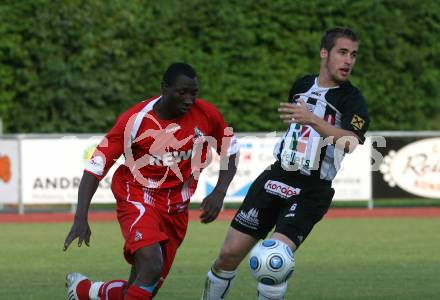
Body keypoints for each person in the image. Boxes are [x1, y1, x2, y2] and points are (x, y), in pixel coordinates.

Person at [201, 27, 370, 300]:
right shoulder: (302, 85)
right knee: (227, 256)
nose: (348, 60)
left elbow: (350, 143)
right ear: (324, 53)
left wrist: (313, 119)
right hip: (277, 175)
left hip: (312, 189)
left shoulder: (352, 99)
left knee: (273, 261)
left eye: (353, 55)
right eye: (342, 52)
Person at [63, 63, 239, 300]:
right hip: (137, 196)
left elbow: (231, 149)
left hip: (176, 210)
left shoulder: (207, 114)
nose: (189, 99)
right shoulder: (135, 120)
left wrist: (219, 191)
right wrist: (80, 216)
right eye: (182, 92)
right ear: (164, 88)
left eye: (193, 93)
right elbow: (96, 167)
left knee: (143, 285)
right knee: (152, 266)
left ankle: (84, 290)